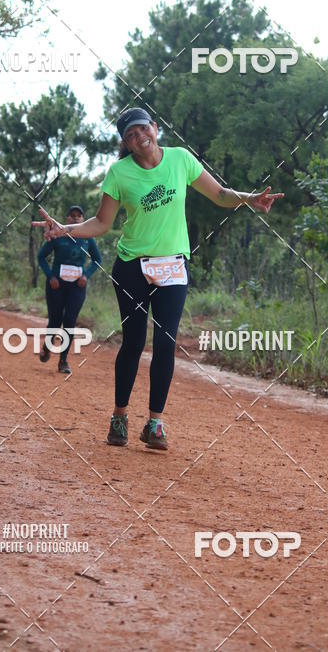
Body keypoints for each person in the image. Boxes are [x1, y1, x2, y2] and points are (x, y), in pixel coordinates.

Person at [35, 107, 283, 451]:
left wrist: (250, 199)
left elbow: (219, 194)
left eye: (142, 129)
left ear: (155, 127)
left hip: (173, 267)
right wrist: (66, 231)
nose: (139, 138)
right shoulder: (119, 173)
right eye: (131, 135)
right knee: (134, 342)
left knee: (166, 343)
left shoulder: (180, 159)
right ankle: (119, 416)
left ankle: (155, 423)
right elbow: (102, 223)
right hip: (132, 266)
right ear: (126, 142)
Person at [36, 205, 102, 375]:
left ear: (83, 219)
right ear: (66, 219)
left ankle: (63, 361)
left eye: (78, 216)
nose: (75, 218)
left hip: (77, 286)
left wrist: (86, 275)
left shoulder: (88, 239)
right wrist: (50, 276)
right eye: (71, 216)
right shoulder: (58, 236)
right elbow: (41, 256)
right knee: (55, 320)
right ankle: (47, 346)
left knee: (70, 321)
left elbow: (97, 260)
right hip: (56, 285)